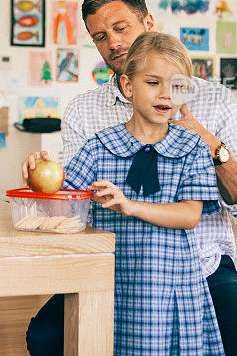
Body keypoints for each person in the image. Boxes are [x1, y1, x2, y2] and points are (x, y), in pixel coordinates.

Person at [22, 0, 237, 355]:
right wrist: (42, 180)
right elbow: (73, 205)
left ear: (148, 22)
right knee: (45, 337)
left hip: (200, 266)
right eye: (100, 36)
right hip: (115, 266)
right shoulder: (84, 111)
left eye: (121, 27)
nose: (112, 42)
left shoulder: (214, 101)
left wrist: (207, 143)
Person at [62, 32, 224, 354]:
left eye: (176, 86)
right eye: (153, 83)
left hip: (172, 288)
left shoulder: (192, 147)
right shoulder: (99, 147)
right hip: (112, 285)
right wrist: (39, 173)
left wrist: (131, 206)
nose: (166, 94)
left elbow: (190, 215)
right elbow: (65, 200)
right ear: (127, 86)